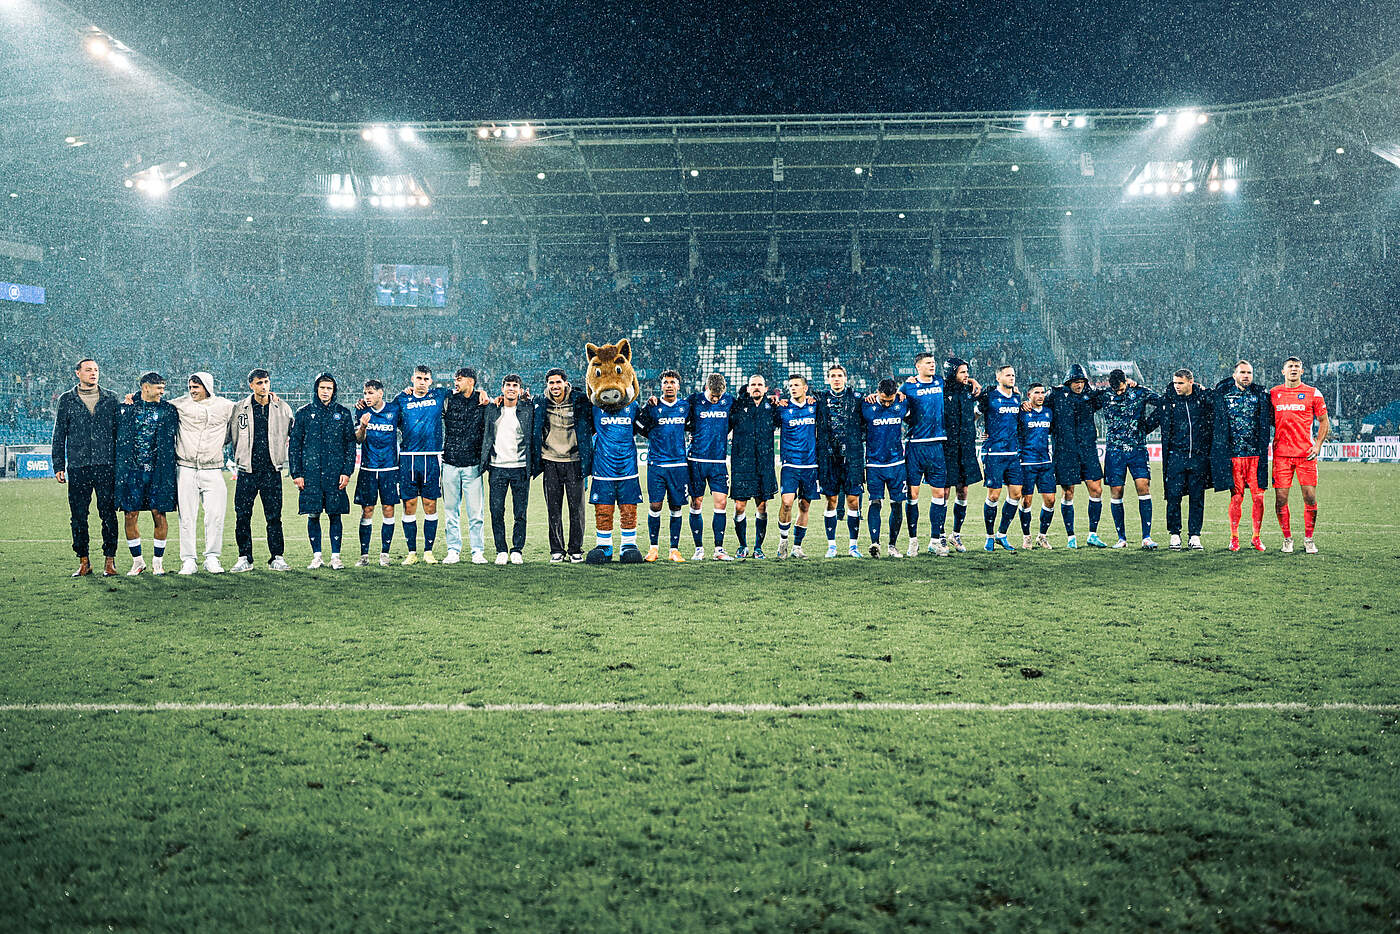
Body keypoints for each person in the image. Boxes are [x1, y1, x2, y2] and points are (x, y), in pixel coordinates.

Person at [51, 358, 119, 577]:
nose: (93, 373)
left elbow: (119, 433)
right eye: (88, 370)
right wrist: (58, 464)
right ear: (77, 373)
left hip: (106, 465)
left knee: (108, 514)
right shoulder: (67, 399)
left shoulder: (111, 398)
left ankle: (110, 561)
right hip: (78, 466)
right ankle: (84, 561)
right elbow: (59, 433)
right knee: (79, 516)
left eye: (96, 370)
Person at [169, 372, 235, 574]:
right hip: (186, 468)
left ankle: (212, 558)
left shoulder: (225, 406)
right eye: (190, 387)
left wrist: (270, 398)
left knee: (215, 515)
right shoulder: (180, 404)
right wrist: (134, 398)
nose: (192, 391)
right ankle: (188, 560)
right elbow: (156, 402)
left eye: (196, 387)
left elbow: (246, 409)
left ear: (207, 386)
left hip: (213, 468)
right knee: (186, 516)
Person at [228, 368, 293, 572]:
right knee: (242, 516)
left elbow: (294, 434)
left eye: (266, 382)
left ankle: (277, 557)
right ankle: (244, 558)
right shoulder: (239, 408)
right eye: (259, 383)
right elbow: (229, 435)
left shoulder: (282, 408)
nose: (263, 386)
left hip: (271, 471)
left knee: (274, 517)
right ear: (251, 385)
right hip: (247, 471)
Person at [289, 373, 356, 569]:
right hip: (311, 474)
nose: (325, 392)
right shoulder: (303, 413)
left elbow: (350, 445)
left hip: (335, 474)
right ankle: (317, 556)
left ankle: (336, 557)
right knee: (313, 514)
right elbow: (295, 445)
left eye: (329, 388)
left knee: (335, 514)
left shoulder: (343, 413)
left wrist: (347, 471)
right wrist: (297, 473)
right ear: (316, 389)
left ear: (334, 391)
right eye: (322, 388)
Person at [115, 372, 180, 575]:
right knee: (130, 515)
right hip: (132, 472)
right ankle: (138, 562)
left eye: (163, 388)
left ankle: (158, 562)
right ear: (145, 387)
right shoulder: (127, 408)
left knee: (159, 514)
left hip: (159, 472)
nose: (162, 392)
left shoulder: (169, 410)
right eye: (158, 388)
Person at [1041, 363, 1109, 548]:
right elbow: (1038, 406)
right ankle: (1071, 536)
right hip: (1065, 451)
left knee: (1096, 490)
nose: (1079, 385)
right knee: (1068, 492)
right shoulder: (1056, 395)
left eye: (1082, 382)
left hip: (1088, 450)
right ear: (1068, 382)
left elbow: (1111, 393)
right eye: (1075, 382)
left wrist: (1130, 384)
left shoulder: (1091, 396)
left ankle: (1092, 534)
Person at [1209, 360, 1273, 552]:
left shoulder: (1260, 395)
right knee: (1237, 498)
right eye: (1242, 372)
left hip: (1256, 456)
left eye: (1249, 373)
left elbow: (1273, 418)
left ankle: (1256, 537)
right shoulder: (1223, 395)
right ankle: (1234, 538)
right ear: (1234, 375)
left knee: (1259, 498)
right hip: (1234, 456)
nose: (1246, 376)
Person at [531, 367, 593, 563]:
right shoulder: (540, 402)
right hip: (550, 461)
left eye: (558, 382)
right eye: (551, 383)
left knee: (577, 510)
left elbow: (591, 423)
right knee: (553, 509)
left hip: (574, 461)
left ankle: (575, 550)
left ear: (566, 383)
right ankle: (556, 550)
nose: (555, 386)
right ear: (547, 385)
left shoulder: (580, 401)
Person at [1270, 356, 1329, 554]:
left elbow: (1324, 420)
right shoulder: (1273, 393)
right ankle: (1287, 539)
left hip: (1306, 455)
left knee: (1310, 497)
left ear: (1302, 371)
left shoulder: (1313, 393)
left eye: (1297, 366)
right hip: (1281, 456)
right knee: (1280, 499)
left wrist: (1317, 445)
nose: (1293, 369)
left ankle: (1309, 539)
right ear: (1283, 371)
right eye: (1290, 366)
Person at [1097, 368, 1162, 550]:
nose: (1118, 393)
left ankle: (1146, 537)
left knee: (1143, 487)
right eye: (1115, 390)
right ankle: (1121, 538)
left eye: (1121, 389)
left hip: (1137, 449)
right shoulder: (1104, 395)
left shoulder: (1139, 392)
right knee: (1116, 491)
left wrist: (1147, 426)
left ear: (1126, 382)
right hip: (1114, 451)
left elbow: (1161, 403)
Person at [393, 365, 449, 564]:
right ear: (412, 379)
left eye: (426, 379)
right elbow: (386, 414)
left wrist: (482, 393)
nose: (422, 382)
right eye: (419, 378)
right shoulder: (401, 399)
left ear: (431, 381)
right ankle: (411, 552)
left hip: (432, 457)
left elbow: (463, 391)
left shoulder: (439, 395)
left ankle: (428, 551)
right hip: (408, 458)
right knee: (409, 505)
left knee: (430, 505)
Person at [481, 374, 538, 564]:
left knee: (520, 512)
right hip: (497, 468)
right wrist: (482, 393)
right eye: (508, 385)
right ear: (502, 388)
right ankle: (501, 550)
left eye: (515, 385)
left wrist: (529, 399)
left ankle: (517, 550)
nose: (511, 388)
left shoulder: (528, 410)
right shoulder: (492, 409)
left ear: (520, 390)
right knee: (496, 511)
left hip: (520, 468)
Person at [898, 352, 951, 557]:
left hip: (937, 445)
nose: (932, 365)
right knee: (912, 495)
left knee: (939, 494)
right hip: (916, 446)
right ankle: (913, 541)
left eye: (933, 362)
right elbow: (896, 402)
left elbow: (960, 383)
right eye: (928, 363)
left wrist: (972, 381)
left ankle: (935, 541)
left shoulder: (940, 382)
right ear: (918, 367)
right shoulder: (908, 386)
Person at [1155, 368, 1212, 551]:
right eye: (1175, 383)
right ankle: (1174, 534)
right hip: (1176, 457)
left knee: (1197, 498)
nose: (1177, 386)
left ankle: (1194, 535)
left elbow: (1217, 405)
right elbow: (1152, 420)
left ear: (1191, 382)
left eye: (1180, 383)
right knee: (1173, 497)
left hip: (1197, 458)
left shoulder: (1201, 400)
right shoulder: (1168, 402)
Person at [442, 367, 492, 565]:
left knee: (476, 513)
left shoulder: (482, 401)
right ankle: (453, 550)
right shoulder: (448, 399)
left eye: (460, 379)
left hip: (472, 465)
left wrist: (485, 394)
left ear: (471, 381)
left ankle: (477, 551)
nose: (456, 382)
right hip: (450, 463)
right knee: (450, 512)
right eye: (455, 379)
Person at [686, 372, 736, 561]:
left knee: (721, 503)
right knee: (696, 503)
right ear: (706, 388)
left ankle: (719, 549)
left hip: (718, 461)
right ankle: (698, 549)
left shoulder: (729, 401)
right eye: (713, 396)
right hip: (696, 460)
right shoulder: (694, 400)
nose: (716, 399)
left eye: (719, 396)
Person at [643, 370, 691, 563]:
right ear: (661, 386)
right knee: (655, 505)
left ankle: (674, 549)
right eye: (665, 382)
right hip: (657, 463)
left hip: (678, 464)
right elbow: (641, 427)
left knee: (676, 506)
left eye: (672, 382)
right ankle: (653, 548)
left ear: (678, 386)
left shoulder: (685, 406)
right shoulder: (652, 407)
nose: (669, 385)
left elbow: (692, 426)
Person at [353, 379, 402, 566]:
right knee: (367, 510)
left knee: (388, 509)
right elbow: (358, 440)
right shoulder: (361, 411)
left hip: (389, 469)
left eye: (371, 393)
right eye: (365, 393)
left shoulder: (394, 410)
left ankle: (385, 554)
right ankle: (364, 555)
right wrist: (363, 426)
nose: (367, 396)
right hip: (368, 469)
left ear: (381, 393)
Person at [817, 364, 863, 559]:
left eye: (839, 375)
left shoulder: (858, 398)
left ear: (845, 378)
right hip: (829, 457)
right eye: (833, 376)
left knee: (853, 501)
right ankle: (832, 546)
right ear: (828, 379)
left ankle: (853, 546)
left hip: (852, 457)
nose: (836, 379)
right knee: (832, 500)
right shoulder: (819, 399)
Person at [729, 374, 778, 559]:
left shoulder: (772, 408)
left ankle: (758, 547)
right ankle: (742, 545)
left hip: (764, 464)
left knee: (762, 506)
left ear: (766, 388)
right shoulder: (737, 406)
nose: (756, 387)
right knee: (739, 506)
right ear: (748, 388)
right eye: (753, 384)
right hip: (742, 463)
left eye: (760, 384)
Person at [976, 364, 1024, 553]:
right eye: (1008, 375)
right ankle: (989, 536)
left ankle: (1001, 534)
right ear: (998, 378)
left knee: (1016, 494)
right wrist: (979, 431)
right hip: (994, 453)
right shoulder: (989, 397)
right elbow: (974, 415)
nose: (1012, 377)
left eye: (1013, 375)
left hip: (1012, 453)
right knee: (994, 495)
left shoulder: (1017, 398)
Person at [861, 378, 910, 557]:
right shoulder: (866, 406)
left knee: (897, 504)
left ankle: (892, 546)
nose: (888, 404)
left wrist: (903, 393)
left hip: (897, 463)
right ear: (877, 393)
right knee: (875, 502)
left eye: (890, 400)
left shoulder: (902, 403)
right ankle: (875, 543)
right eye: (884, 400)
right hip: (874, 464)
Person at [774, 374, 820, 559]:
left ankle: (797, 547)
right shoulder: (783, 408)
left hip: (810, 464)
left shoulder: (814, 406)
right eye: (790, 385)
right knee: (787, 503)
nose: (792, 388)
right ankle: (783, 541)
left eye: (796, 385)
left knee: (804, 505)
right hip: (790, 464)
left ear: (805, 388)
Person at [940, 357, 983, 553]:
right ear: (952, 373)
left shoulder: (969, 390)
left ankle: (955, 534)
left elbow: (986, 401)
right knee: (944, 492)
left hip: (966, 447)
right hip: (947, 448)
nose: (967, 375)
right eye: (962, 372)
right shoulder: (940, 389)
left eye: (967, 372)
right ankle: (940, 535)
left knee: (963, 491)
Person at [1017, 382, 1057, 550]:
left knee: (1050, 500)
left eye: (1042, 393)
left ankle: (1042, 536)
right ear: (1029, 395)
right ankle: (1027, 537)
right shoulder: (1022, 412)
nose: (1040, 396)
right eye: (1036, 393)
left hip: (1045, 462)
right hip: (1027, 462)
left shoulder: (1049, 412)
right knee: (1026, 501)